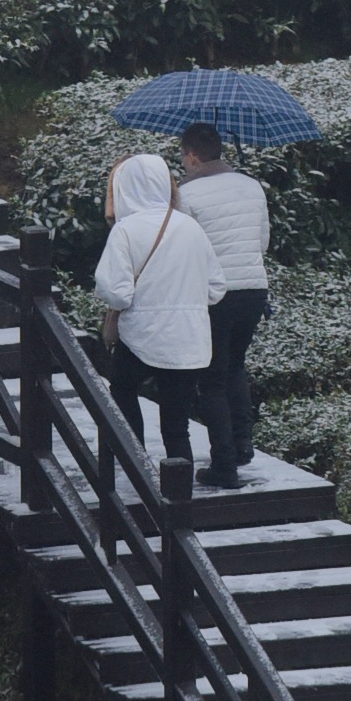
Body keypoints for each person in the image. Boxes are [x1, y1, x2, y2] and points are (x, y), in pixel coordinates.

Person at [93, 148, 223, 476]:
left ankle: (135, 467)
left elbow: (117, 294)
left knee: (122, 390)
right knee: (177, 428)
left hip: (141, 337)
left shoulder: (125, 230)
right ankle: (181, 506)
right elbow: (216, 287)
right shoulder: (190, 227)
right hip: (189, 339)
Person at [174, 122, 272, 488]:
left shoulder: (187, 194)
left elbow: (184, 248)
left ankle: (224, 466)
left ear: (194, 156)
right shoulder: (252, 186)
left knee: (212, 379)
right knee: (235, 366)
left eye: (182, 155)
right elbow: (261, 243)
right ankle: (243, 443)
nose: (182, 162)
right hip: (254, 289)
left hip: (215, 294)